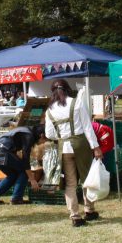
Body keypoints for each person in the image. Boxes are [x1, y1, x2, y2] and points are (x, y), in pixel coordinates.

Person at [44, 80, 103, 227]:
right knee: (86, 179)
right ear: (68, 89)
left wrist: (62, 135)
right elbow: (87, 127)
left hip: (64, 147)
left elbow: (49, 134)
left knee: (70, 183)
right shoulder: (76, 102)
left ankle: (75, 216)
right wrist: (95, 147)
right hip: (80, 144)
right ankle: (89, 210)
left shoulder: (50, 110)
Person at [0, 125, 46, 205]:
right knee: (24, 171)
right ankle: (16, 198)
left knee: (13, 175)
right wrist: (32, 179)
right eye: (45, 140)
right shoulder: (28, 135)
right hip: (0, 151)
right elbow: (25, 159)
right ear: (42, 135)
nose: (43, 143)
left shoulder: (27, 131)